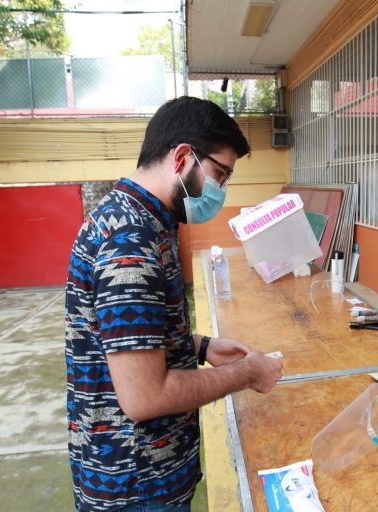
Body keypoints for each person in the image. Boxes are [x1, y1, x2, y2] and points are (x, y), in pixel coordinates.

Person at [65, 97, 284, 512]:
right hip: (136, 486)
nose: (221, 190)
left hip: (140, 474)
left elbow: (126, 332)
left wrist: (200, 346)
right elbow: (145, 396)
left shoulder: (141, 219)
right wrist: (246, 373)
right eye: (219, 174)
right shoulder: (130, 242)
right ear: (183, 157)